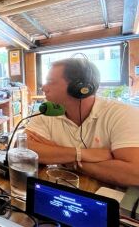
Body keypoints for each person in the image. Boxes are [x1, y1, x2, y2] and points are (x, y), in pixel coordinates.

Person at [26, 58, 139, 187]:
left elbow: (135, 174)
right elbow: (23, 148)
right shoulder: (47, 111)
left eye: (51, 82)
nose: (44, 87)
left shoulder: (122, 114)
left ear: (79, 88)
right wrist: (80, 154)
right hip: (61, 189)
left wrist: (67, 159)